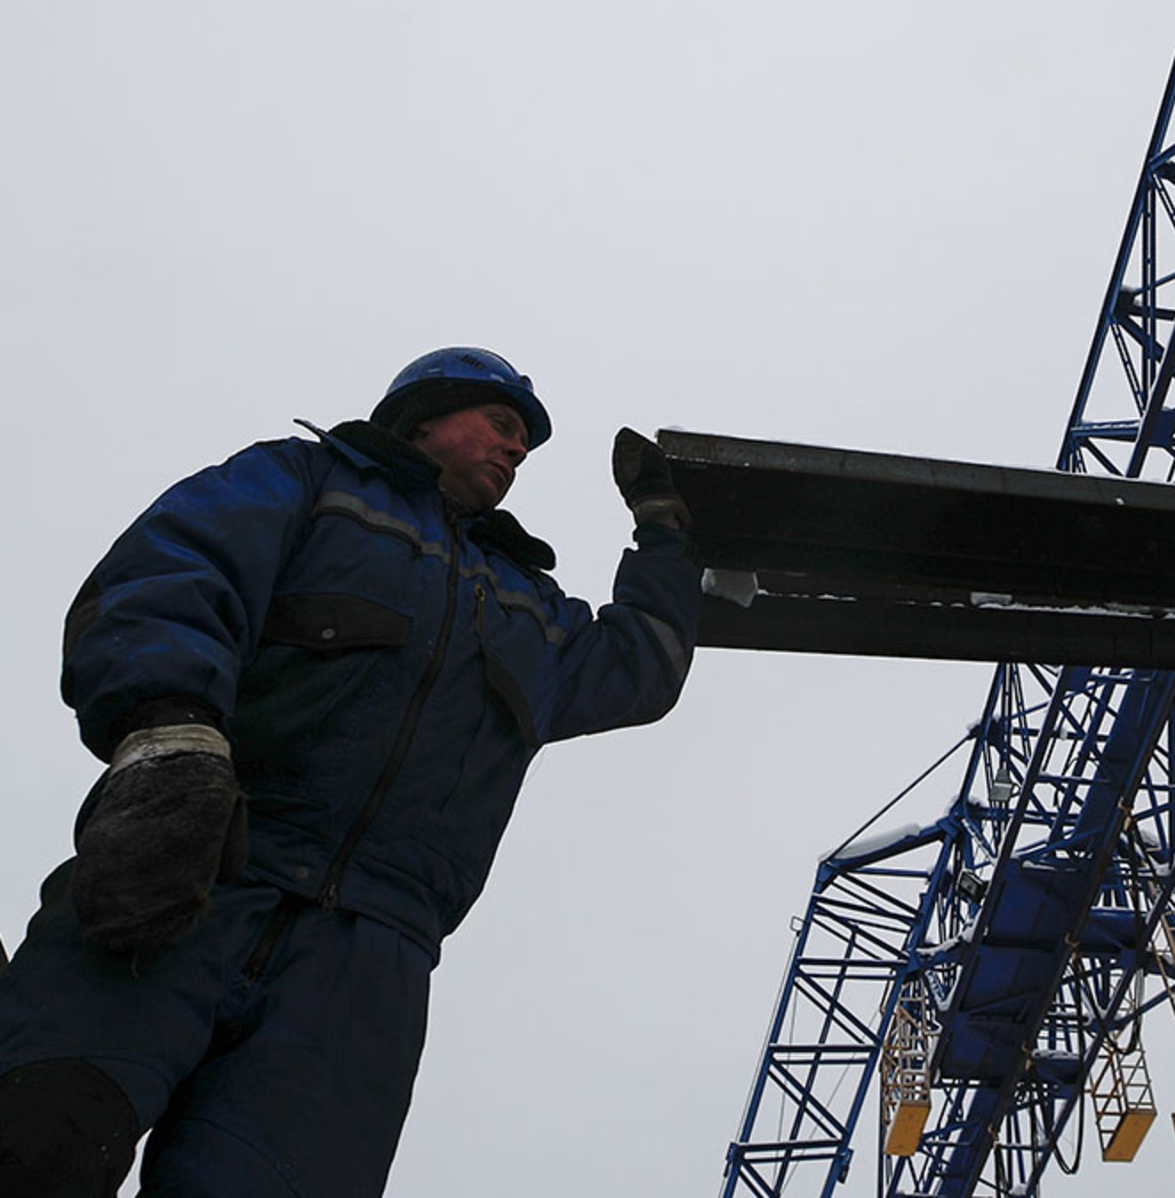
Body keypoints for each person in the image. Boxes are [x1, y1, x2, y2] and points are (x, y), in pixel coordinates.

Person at [0, 347, 702, 1196]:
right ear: (426, 416)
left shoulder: (529, 609)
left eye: (524, 443)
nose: (517, 451)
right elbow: (173, 573)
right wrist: (170, 734)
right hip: (197, 867)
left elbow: (641, 666)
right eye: (503, 425)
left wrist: (666, 532)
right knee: (37, 1139)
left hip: (369, 968)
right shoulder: (308, 485)